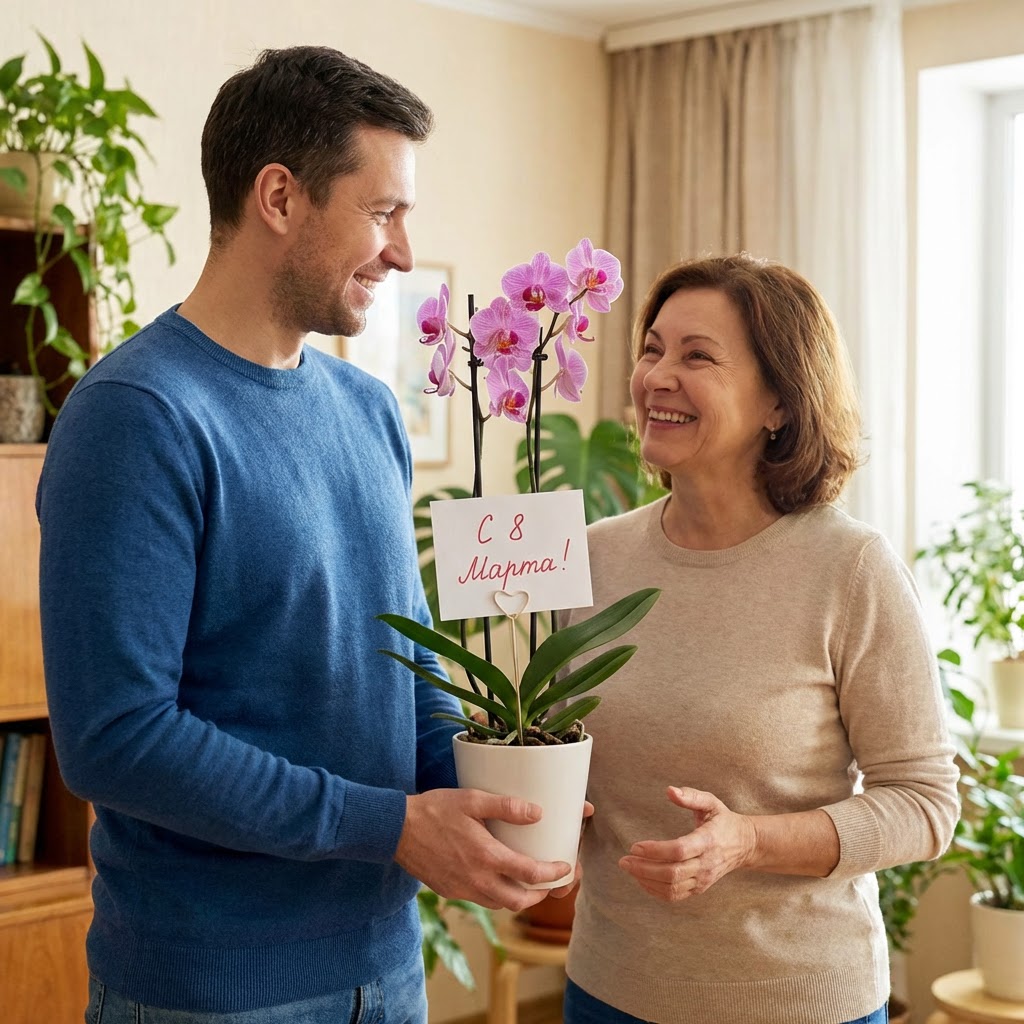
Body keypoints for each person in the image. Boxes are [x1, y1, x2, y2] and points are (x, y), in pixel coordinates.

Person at [36, 46, 570, 1024]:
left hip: (385, 971)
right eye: (382, 212)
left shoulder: (369, 413)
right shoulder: (136, 416)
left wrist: (501, 795)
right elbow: (117, 738)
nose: (403, 253)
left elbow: (402, 675)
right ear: (280, 197)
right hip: (209, 991)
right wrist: (394, 826)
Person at [559, 254, 960, 1024]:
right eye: (652, 350)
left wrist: (749, 842)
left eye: (696, 356)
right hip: (608, 989)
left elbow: (925, 805)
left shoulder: (852, 569)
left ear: (779, 401)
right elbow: (555, 753)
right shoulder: (592, 556)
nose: (658, 377)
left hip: (798, 1001)